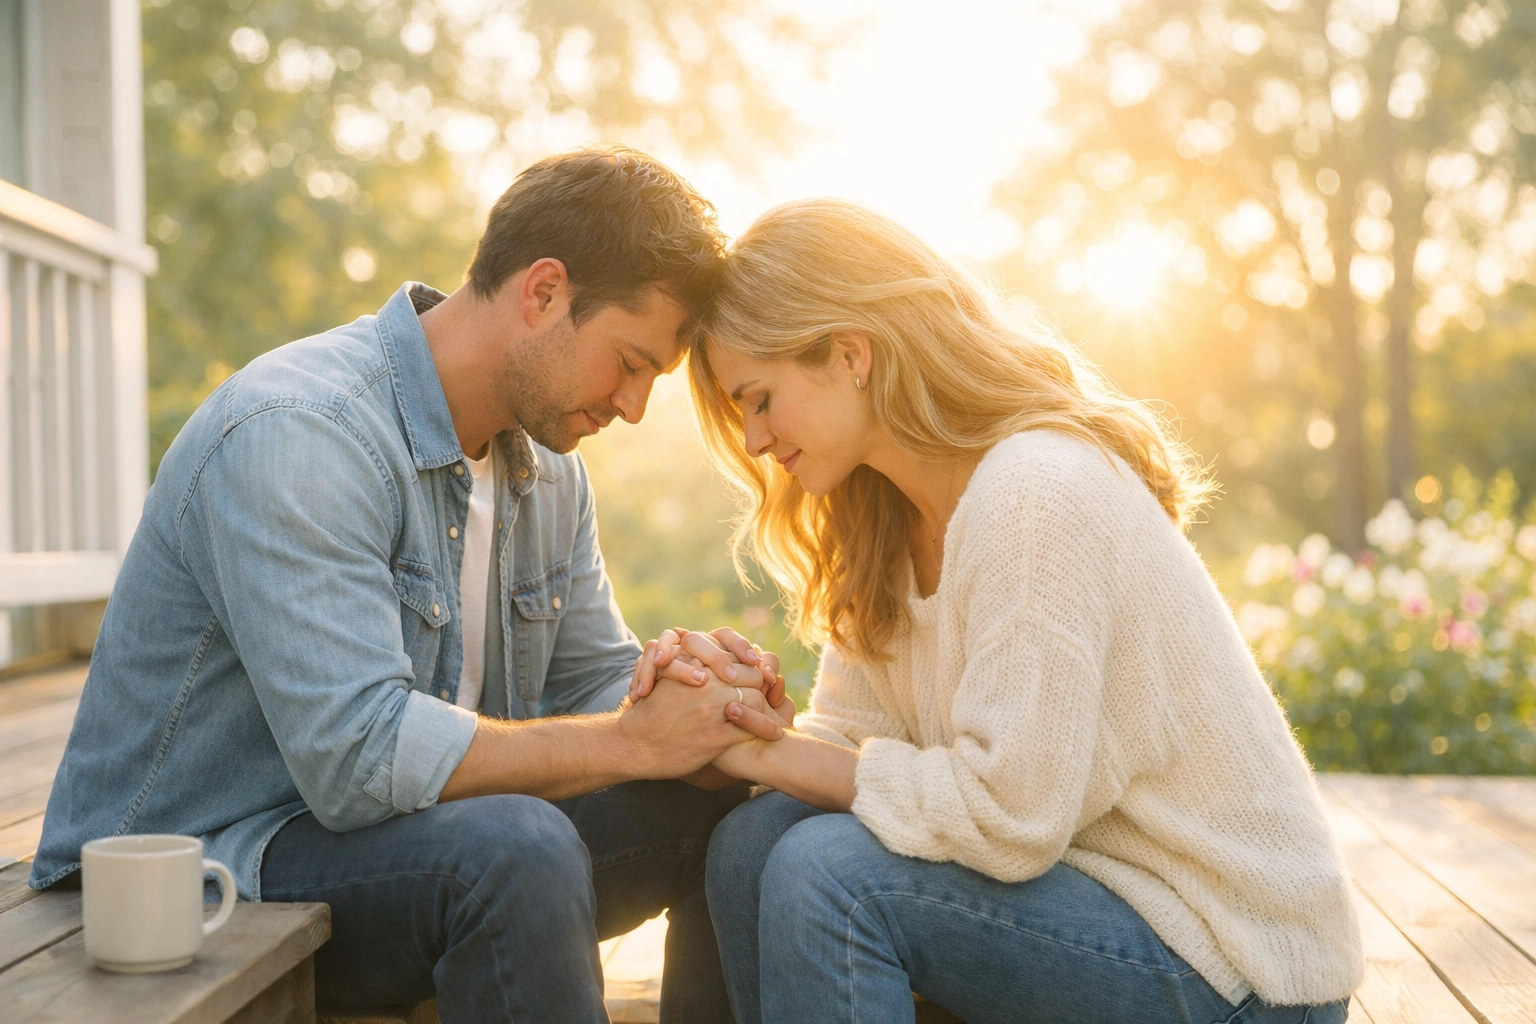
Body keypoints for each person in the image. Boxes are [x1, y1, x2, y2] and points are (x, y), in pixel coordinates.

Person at [31, 147, 792, 1024]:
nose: (634, 407)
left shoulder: (547, 473)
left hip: (405, 848)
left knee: (729, 812)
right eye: (629, 362)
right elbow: (359, 758)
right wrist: (635, 742)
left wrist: (707, 706)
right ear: (542, 293)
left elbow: (591, 684)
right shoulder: (300, 432)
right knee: (518, 849)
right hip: (198, 873)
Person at [645, 197, 1364, 1023]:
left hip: (1232, 961)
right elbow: (850, 741)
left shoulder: (1033, 492)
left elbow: (1008, 815)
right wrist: (741, 715)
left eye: (760, 398)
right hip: (1083, 902)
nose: (754, 441)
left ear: (850, 354)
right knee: (750, 846)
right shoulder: (883, 520)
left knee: (827, 874)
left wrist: (765, 757)